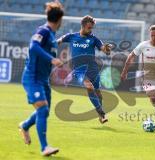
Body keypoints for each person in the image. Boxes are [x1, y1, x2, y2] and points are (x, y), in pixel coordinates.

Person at [19, 1, 64, 156]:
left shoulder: (52, 36)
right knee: (43, 109)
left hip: (43, 80)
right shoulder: (43, 31)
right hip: (32, 78)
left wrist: (52, 62)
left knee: (44, 112)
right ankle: (45, 147)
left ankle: (25, 126)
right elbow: (33, 47)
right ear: (59, 20)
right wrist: (51, 60)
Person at [121, 25, 155, 133]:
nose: (153, 37)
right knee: (153, 98)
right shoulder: (143, 45)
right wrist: (124, 71)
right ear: (150, 35)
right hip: (148, 78)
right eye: (152, 35)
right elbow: (131, 56)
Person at [57, 15, 112, 123]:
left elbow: (105, 50)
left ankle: (101, 116)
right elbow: (58, 41)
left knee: (98, 93)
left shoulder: (94, 39)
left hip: (92, 69)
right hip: (78, 70)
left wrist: (107, 49)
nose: (90, 30)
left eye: (92, 28)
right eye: (89, 28)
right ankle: (102, 113)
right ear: (83, 25)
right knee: (89, 86)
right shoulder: (71, 36)